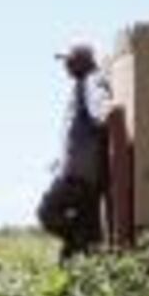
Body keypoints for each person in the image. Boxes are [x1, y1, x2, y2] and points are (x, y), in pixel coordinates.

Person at [34, 43, 109, 258]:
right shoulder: (82, 83)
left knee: (47, 212)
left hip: (80, 175)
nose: (65, 65)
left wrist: (106, 113)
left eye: (69, 60)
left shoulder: (92, 81)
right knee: (84, 233)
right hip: (80, 172)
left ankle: (80, 239)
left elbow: (101, 111)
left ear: (83, 60)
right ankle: (81, 248)